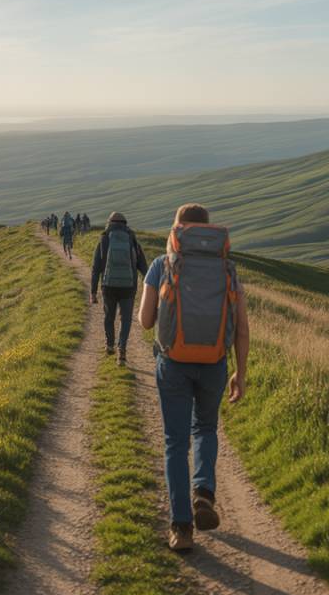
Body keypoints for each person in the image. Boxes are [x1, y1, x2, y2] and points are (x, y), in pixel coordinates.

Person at [139, 203, 249, 551]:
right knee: (205, 428)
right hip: (215, 363)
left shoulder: (161, 265)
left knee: (175, 442)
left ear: (178, 230)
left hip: (172, 363)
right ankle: (204, 491)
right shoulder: (228, 270)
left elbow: (144, 320)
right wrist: (240, 373)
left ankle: (181, 528)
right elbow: (242, 329)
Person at [90, 212, 148, 365]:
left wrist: (93, 292)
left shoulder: (104, 239)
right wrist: (148, 287)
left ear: (109, 223)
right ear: (125, 224)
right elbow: (143, 265)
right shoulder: (131, 239)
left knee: (109, 316)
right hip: (128, 286)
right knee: (126, 318)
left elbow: (96, 267)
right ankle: (122, 349)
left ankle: (110, 345)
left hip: (108, 285)